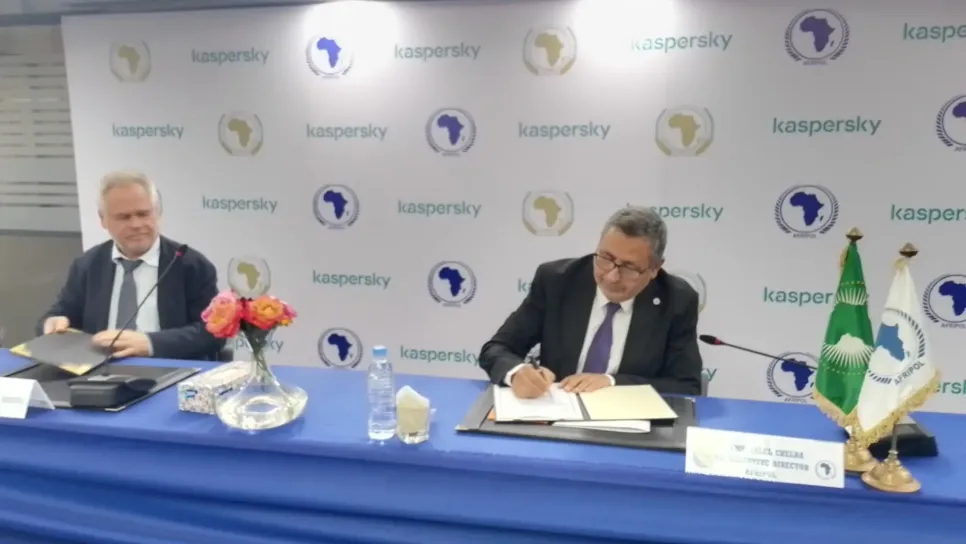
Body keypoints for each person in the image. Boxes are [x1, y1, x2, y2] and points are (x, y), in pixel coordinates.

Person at [479, 206, 703, 398]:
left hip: (628, 422)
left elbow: (686, 385)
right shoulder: (557, 282)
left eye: (629, 267)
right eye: (606, 258)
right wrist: (517, 372)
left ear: (654, 269)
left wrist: (612, 382)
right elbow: (496, 349)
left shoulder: (677, 301)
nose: (611, 276)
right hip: (557, 412)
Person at [37, 170, 224, 361]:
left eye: (143, 214)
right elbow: (60, 314)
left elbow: (213, 333)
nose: (136, 224)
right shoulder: (87, 265)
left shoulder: (189, 265)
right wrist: (53, 323)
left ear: (157, 212)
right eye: (124, 217)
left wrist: (151, 343)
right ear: (103, 220)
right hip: (99, 368)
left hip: (168, 366)